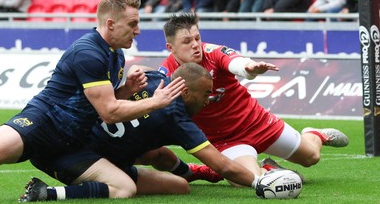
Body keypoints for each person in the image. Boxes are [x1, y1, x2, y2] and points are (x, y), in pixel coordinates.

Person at [0, 0, 186, 197]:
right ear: (111, 24)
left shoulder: (115, 54)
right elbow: (109, 113)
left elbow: (99, 102)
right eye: (132, 24)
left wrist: (126, 91)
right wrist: (155, 101)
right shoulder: (88, 52)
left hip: (71, 146)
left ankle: (45, 194)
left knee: (130, 188)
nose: (138, 31)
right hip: (41, 124)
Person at [144, 13, 349, 187]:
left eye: (197, 38)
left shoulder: (212, 52)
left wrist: (248, 68)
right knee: (246, 180)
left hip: (257, 123)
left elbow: (235, 61)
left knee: (311, 157)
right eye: (187, 42)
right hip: (226, 141)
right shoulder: (167, 75)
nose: (196, 45)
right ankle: (268, 168)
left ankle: (314, 134)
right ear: (171, 48)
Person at [18, 63, 260, 202]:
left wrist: (197, 174)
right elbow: (224, 165)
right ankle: (47, 193)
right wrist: (260, 182)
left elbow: (159, 155)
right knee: (124, 189)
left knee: (178, 183)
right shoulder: (176, 119)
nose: (208, 99)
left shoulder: (154, 79)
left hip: (78, 145)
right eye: (206, 93)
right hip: (74, 155)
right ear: (185, 92)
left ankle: (194, 174)